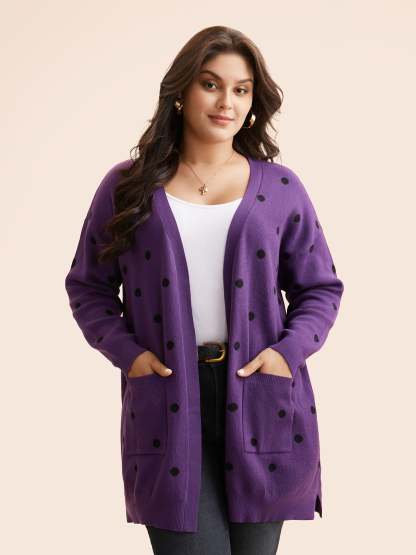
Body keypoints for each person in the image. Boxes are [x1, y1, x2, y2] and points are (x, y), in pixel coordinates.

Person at [65, 25, 344, 555]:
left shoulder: (281, 188)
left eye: (241, 90)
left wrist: (286, 354)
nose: (226, 102)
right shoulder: (128, 187)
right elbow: (88, 287)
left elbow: (320, 289)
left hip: (260, 398)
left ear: (254, 102)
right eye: (211, 84)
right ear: (181, 91)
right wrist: (129, 355)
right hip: (167, 397)